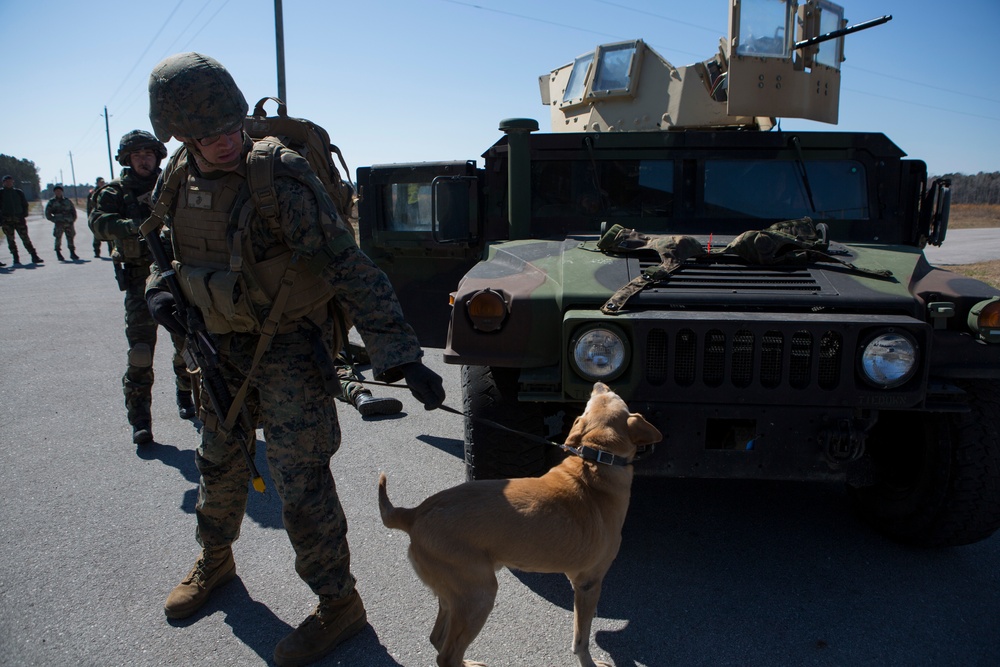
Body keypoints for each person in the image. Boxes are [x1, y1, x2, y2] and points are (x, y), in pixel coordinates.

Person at [144, 52, 445, 666]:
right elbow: (163, 244)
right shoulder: (177, 173)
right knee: (219, 461)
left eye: (231, 126)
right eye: (207, 135)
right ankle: (216, 561)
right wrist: (158, 285)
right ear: (179, 135)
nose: (225, 142)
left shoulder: (278, 179)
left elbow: (348, 264)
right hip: (215, 344)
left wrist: (401, 354)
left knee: (299, 481)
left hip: (287, 350)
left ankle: (339, 605)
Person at [89, 130, 196, 445]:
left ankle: (186, 395)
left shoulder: (173, 183)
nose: (144, 160)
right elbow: (98, 223)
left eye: (149, 154)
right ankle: (140, 420)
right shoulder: (115, 192)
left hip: (175, 278)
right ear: (126, 159)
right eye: (137, 155)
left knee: (189, 345)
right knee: (140, 353)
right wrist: (135, 227)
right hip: (139, 282)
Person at [1, 175, 43, 265]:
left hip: (19, 219)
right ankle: (15, 258)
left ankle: (34, 256)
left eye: (10, 181)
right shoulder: (1, 193)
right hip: (7, 221)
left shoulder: (18, 192)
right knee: (10, 239)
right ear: (3, 183)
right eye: (6, 181)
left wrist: (24, 214)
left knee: (25, 238)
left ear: (13, 182)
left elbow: (25, 204)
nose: (8, 183)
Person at [45, 185, 79, 261]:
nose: (58, 192)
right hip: (59, 223)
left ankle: (72, 252)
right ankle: (58, 253)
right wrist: (54, 219)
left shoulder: (67, 201)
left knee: (70, 237)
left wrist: (72, 219)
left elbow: (73, 211)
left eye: (59, 191)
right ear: (54, 192)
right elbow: (48, 213)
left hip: (68, 222)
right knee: (58, 238)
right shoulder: (52, 202)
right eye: (56, 191)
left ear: (62, 192)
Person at [87, 177, 113, 257]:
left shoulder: (108, 190)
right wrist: (90, 217)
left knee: (110, 235)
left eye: (103, 182)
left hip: (106, 214)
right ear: (97, 183)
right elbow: (89, 207)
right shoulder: (93, 193)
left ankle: (111, 252)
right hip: (96, 215)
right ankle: (96, 251)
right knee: (97, 236)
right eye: (100, 182)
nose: (102, 183)